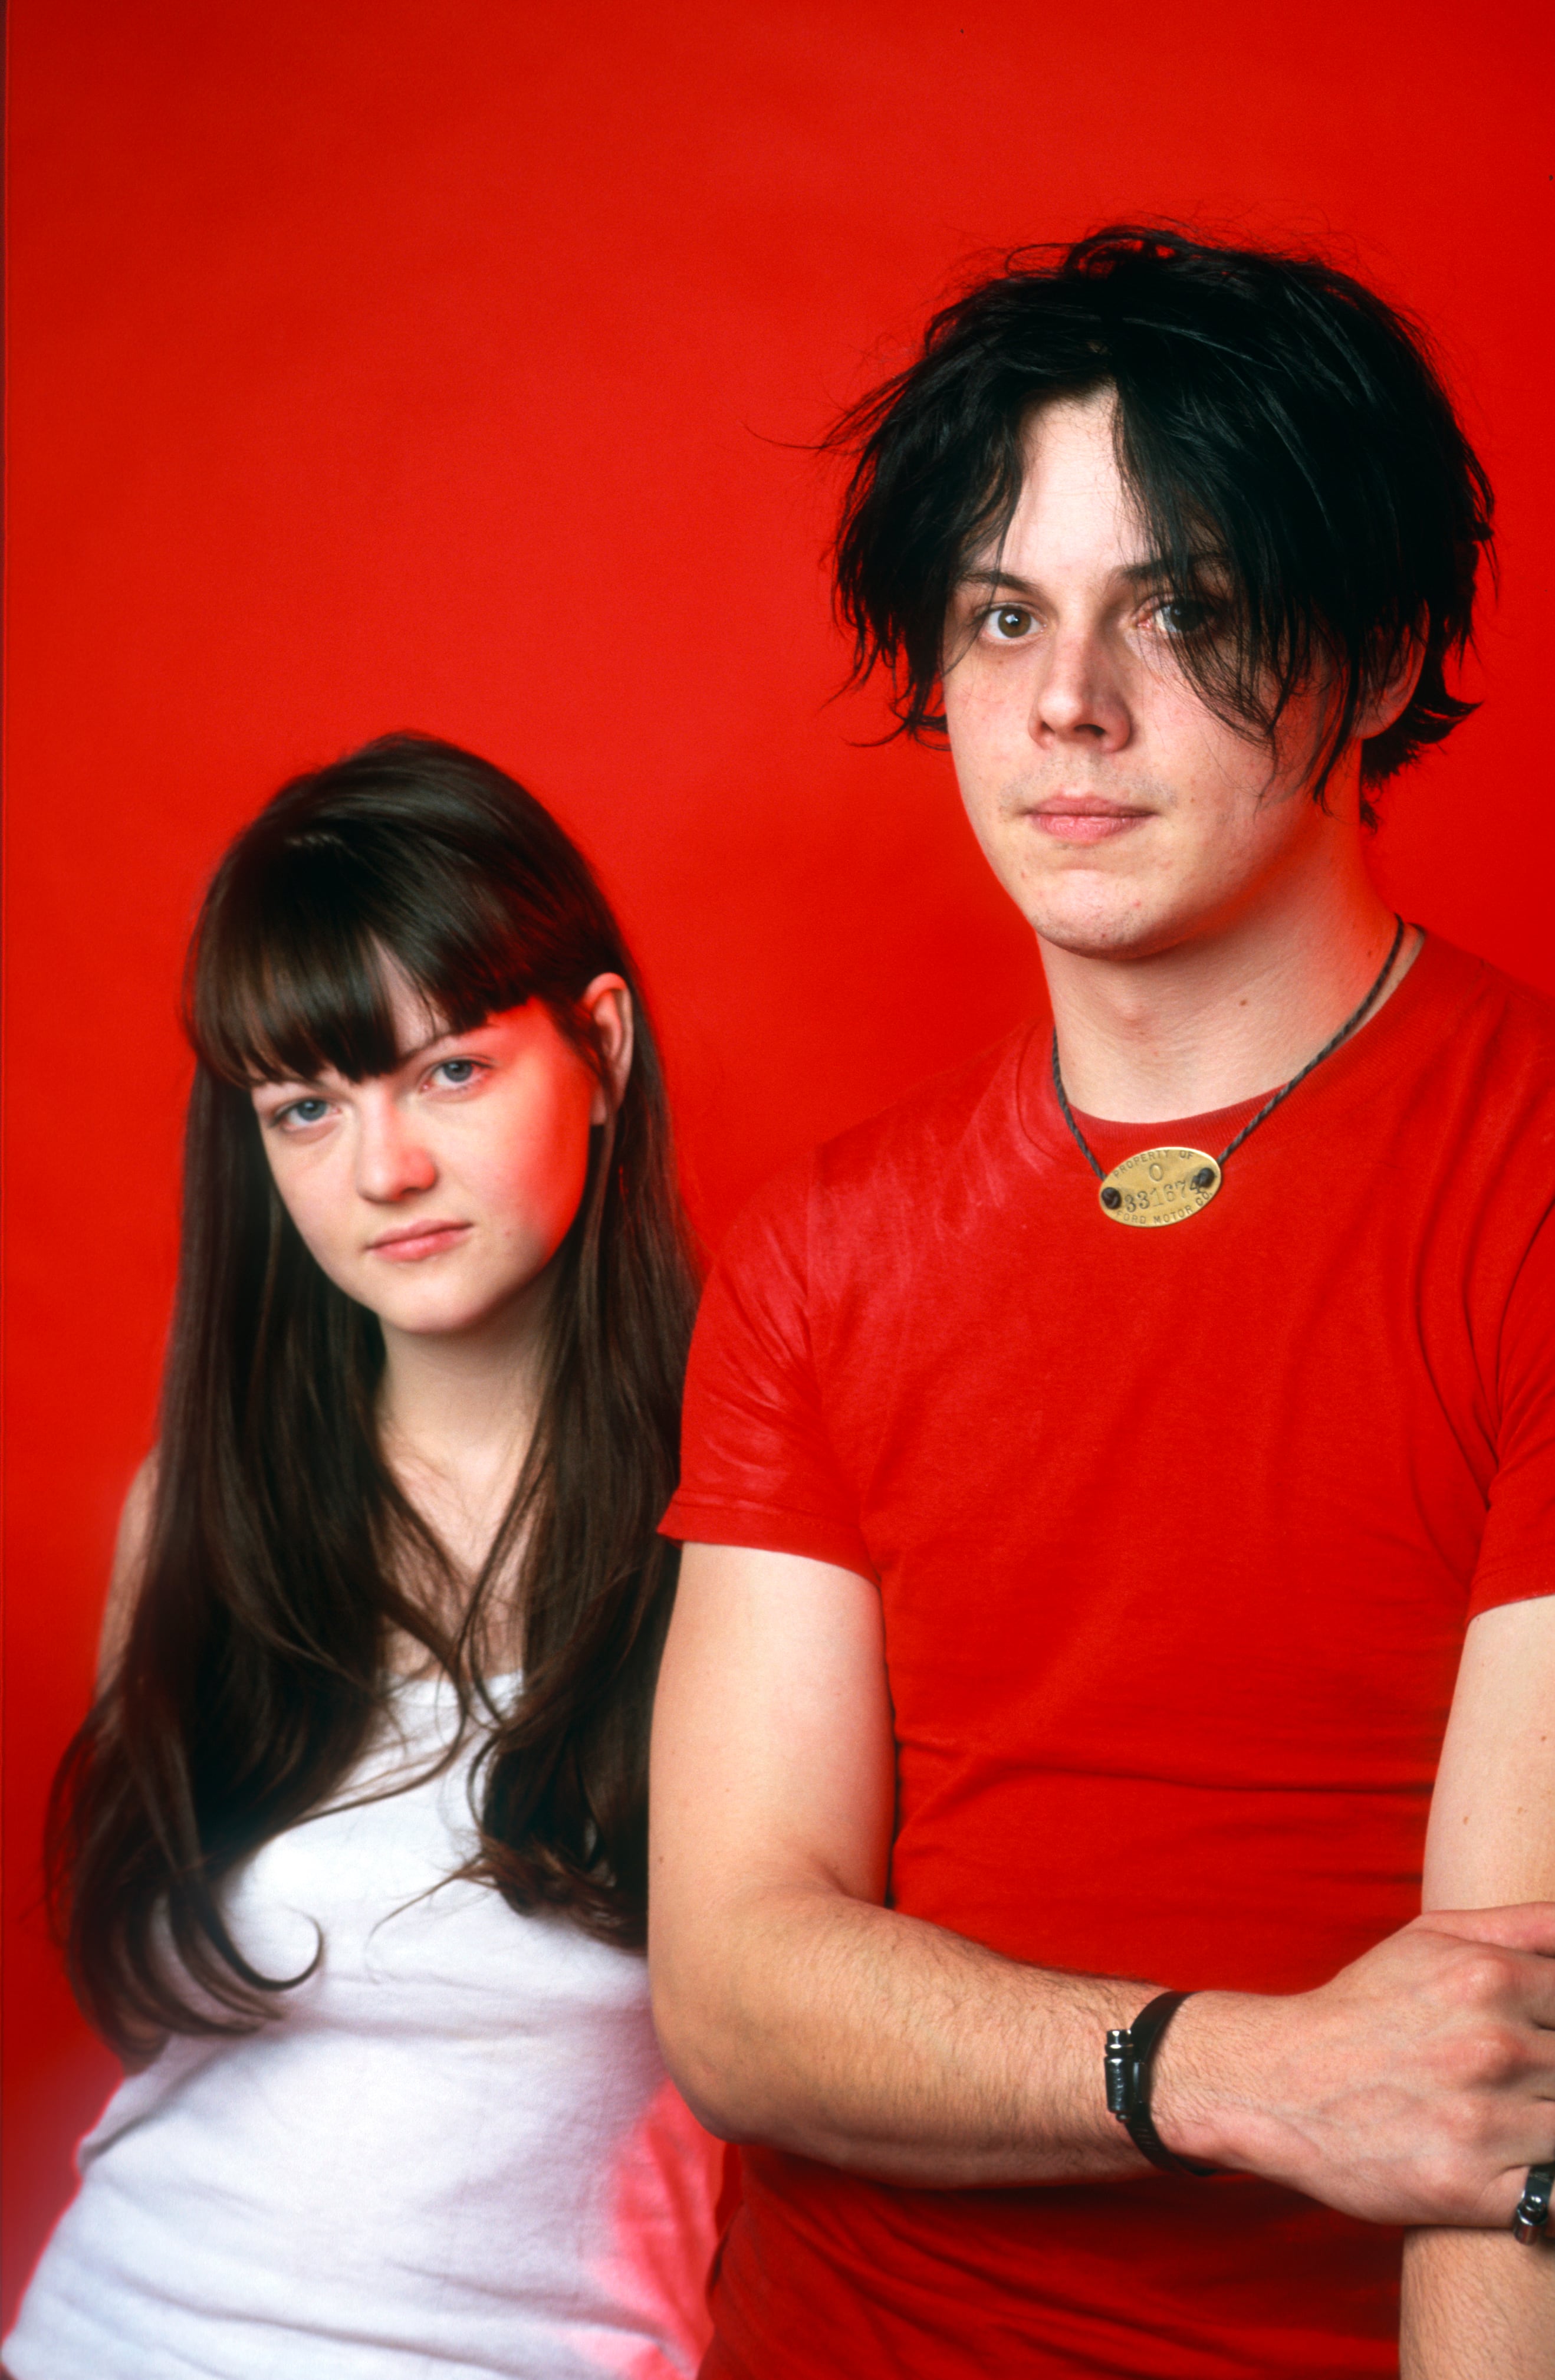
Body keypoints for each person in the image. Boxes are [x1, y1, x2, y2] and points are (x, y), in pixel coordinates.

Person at [647, 230, 1555, 2378]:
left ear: (1374, 642)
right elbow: (738, 1987)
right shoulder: (817, 1253)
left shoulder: (1528, 1184)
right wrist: (1222, 2068)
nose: (1069, 702)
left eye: (1185, 605)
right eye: (1004, 614)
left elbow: (1506, 2076)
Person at [6, 736, 723, 2379]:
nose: (380, 1169)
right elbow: (148, 2017)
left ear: (600, 1049)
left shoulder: (748, 1528)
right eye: (308, 1105)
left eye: (449, 1071)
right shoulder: (195, 1513)